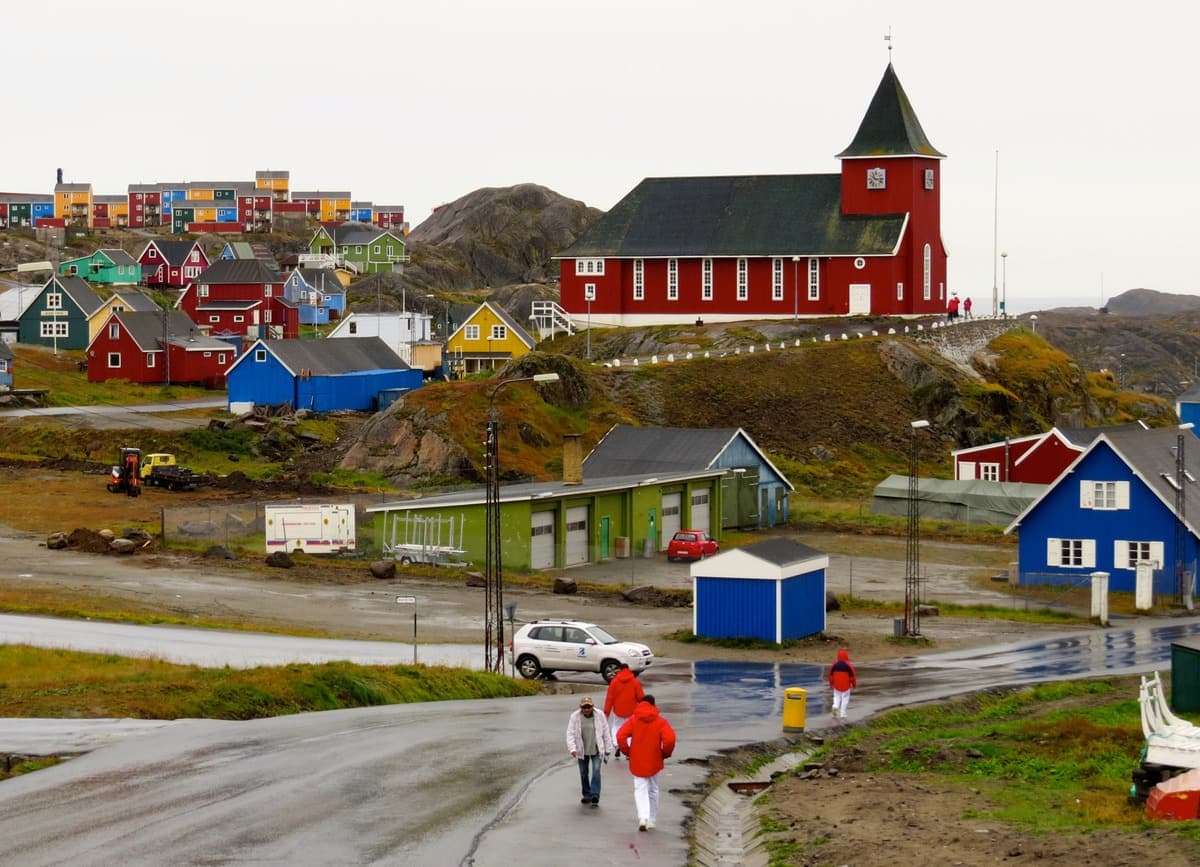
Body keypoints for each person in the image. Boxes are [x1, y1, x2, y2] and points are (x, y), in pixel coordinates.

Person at [616, 694, 676, 832]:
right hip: (654, 759)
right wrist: (665, 753)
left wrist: (627, 751)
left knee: (640, 789)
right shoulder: (660, 721)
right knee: (653, 789)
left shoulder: (633, 720)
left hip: (637, 760)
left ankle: (643, 817)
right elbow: (670, 739)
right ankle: (652, 820)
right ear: (653, 705)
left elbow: (620, 736)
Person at [566, 695, 614, 806]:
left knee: (596, 771)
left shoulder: (600, 715)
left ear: (593, 706)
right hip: (582, 750)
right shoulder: (574, 717)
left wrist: (608, 749)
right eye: (584, 707)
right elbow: (570, 733)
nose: (587, 709)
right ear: (580, 707)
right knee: (584, 773)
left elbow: (606, 732)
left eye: (589, 707)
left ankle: (595, 794)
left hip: (596, 749)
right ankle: (586, 794)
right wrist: (572, 748)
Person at [604, 662, 644, 759]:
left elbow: (610, 699)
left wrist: (606, 713)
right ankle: (628, 749)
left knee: (616, 727)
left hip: (618, 710)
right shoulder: (635, 682)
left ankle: (617, 745)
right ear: (628, 669)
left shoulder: (614, 682)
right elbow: (641, 698)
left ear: (620, 670)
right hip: (632, 711)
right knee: (630, 730)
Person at [828, 648, 857, 719]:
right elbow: (852, 677)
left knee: (836, 697)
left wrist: (831, 684)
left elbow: (831, 676)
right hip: (846, 686)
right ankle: (843, 714)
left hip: (836, 685)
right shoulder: (849, 665)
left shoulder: (834, 665)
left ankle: (835, 706)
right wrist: (854, 684)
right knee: (845, 699)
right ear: (846, 656)